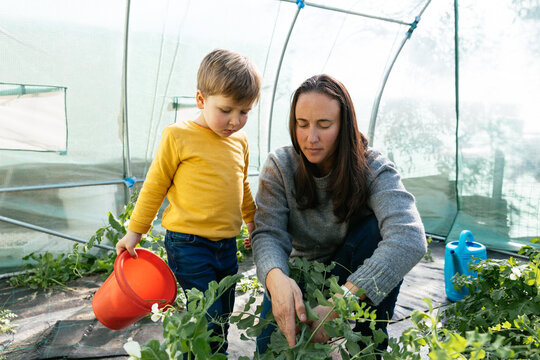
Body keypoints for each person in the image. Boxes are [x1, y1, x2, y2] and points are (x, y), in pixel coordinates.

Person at [250, 74, 427, 355]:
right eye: (302, 124)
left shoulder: (372, 167)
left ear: (344, 126)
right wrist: (276, 279)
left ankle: (368, 347)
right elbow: (268, 232)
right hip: (298, 276)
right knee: (270, 351)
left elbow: (410, 238)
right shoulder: (280, 166)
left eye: (324, 125)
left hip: (350, 276)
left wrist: (339, 303)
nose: (311, 137)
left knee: (377, 232)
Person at [115, 48, 261, 355]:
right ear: (200, 100)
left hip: (226, 246)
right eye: (227, 110)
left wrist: (252, 222)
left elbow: (242, 184)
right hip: (188, 244)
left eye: (244, 112)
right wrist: (135, 231)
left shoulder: (240, 141)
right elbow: (154, 187)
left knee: (221, 316)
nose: (235, 121)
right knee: (207, 317)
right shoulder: (178, 136)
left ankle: (210, 355)